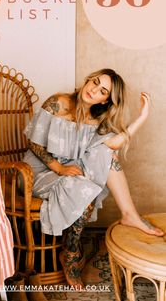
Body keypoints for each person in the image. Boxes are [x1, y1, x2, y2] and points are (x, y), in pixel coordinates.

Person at [23, 68, 164, 288]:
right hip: (40, 171)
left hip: (70, 171)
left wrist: (142, 117)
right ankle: (70, 255)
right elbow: (34, 142)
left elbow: (114, 144)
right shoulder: (58, 103)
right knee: (86, 187)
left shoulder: (97, 119)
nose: (93, 90)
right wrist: (59, 168)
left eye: (102, 91)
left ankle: (129, 215)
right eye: (95, 82)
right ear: (88, 79)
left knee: (105, 152)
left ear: (106, 100)